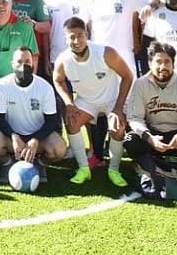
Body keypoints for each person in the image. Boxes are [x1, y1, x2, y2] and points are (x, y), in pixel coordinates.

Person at [123, 41, 177, 199]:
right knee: (130, 141)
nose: (163, 66)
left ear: (173, 63)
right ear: (149, 63)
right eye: (158, 62)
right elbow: (134, 118)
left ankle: (171, 164)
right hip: (154, 135)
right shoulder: (140, 84)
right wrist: (149, 138)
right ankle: (155, 165)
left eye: (167, 62)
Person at [52, 17, 133, 186]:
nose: (76, 41)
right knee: (71, 122)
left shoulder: (105, 53)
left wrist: (118, 108)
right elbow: (58, 80)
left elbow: (128, 76)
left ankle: (114, 170)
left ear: (87, 34)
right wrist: (69, 103)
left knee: (117, 127)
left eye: (80, 35)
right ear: (65, 39)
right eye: (71, 37)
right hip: (86, 102)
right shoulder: (63, 60)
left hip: (111, 100)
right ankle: (83, 168)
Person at [0, 46, 67, 183]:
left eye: (27, 61)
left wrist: (36, 139)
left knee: (59, 149)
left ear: (33, 63)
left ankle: (40, 163)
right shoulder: (2, 85)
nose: (23, 66)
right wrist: (14, 136)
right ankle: (7, 163)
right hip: (12, 137)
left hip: (38, 138)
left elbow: (51, 121)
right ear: (12, 64)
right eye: (19, 61)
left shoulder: (45, 87)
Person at [85, 0, 148, 76]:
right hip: (99, 54)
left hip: (124, 55)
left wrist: (154, 5)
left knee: (129, 93)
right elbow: (83, 25)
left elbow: (149, 6)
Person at [6, 0, 51, 75]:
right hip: (7, 54)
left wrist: (33, 23)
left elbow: (46, 27)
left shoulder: (36, 1)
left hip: (31, 56)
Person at [44, 0, 85, 69]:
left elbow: (89, 27)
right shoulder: (48, 2)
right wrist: (46, 59)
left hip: (80, 55)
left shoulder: (83, 0)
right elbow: (47, 31)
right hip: (56, 57)